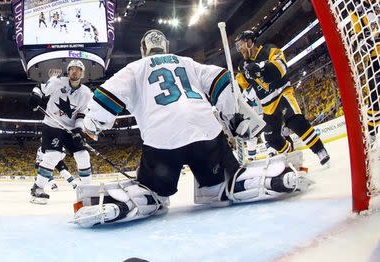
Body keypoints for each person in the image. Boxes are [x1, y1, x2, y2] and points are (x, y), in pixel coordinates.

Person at [72, 29, 312, 227]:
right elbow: (223, 79)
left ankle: (122, 203)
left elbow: (104, 98)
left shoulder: (136, 68)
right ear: (165, 48)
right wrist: (231, 117)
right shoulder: (185, 62)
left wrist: (92, 125)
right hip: (206, 133)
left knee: (154, 193)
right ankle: (274, 178)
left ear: (143, 50)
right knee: (223, 186)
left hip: (163, 141)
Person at [234, 30, 330, 165]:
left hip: (281, 93)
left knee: (295, 121)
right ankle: (291, 153)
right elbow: (241, 84)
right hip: (267, 105)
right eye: (237, 46)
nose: (240, 49)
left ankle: (320, 150)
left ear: (250, 42)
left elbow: (281, 67)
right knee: (271, 138)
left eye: (241, 45)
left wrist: (260, 68)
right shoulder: (242, 65)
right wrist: (234, 90)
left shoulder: (269, 49)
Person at [28, 59, 93, 204]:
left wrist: (79, 130)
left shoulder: (87, 94)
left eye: (78, 69)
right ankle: (37, 188)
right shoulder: (57, 82)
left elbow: (82, 115)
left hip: (70, 129)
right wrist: (36, 97)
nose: (74, 71)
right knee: (54, 155)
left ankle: (87, 191)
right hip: (52, 124)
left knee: (83, 155)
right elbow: (40, 87)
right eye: (72, 69)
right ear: (68, 71)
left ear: (82, 74)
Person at [350, 0, 379, 143]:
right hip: (375, 57)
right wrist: (361, 42)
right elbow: (355, 34)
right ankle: (372, 131)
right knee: (374, 94)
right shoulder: (355, 7)